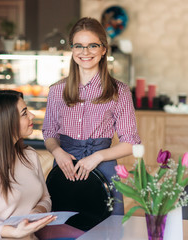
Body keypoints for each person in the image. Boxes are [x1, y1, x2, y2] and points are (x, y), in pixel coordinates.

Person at [42, 17, 141, 216]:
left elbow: (131, 143)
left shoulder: (119, 91)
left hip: (102, 168)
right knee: (62, 229)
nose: (85, 52)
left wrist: (97, 157)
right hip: (65, 168)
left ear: (104, 49)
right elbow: (49, 132)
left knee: (106, 231)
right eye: (79, 46)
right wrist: (57, 152)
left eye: (92, 45)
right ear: (72, 49)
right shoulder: (56, 90)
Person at [0, 90, 56, 240]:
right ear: (6, 121)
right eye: (24, 113)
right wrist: (15, 233)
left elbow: (46, 198)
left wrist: (37, 212)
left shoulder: (30, 155)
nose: (32, 116)